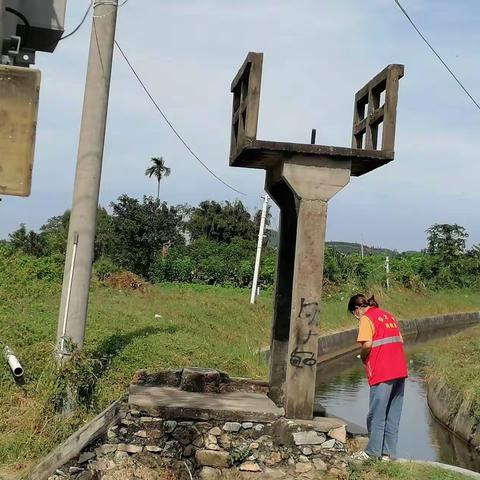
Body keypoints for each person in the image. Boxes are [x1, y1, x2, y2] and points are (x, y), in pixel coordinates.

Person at [347, 294, 408, 461]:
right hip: (399, 370)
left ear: (357, 309)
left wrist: (363, 356)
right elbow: (400, 340)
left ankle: (373, 452)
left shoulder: (366, 319)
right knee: (393, 414)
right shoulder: (387, 315)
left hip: (382, 371)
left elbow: (367, 344)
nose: (356, 317)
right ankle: (388, 454)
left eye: (354, 314)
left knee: (377, 414)